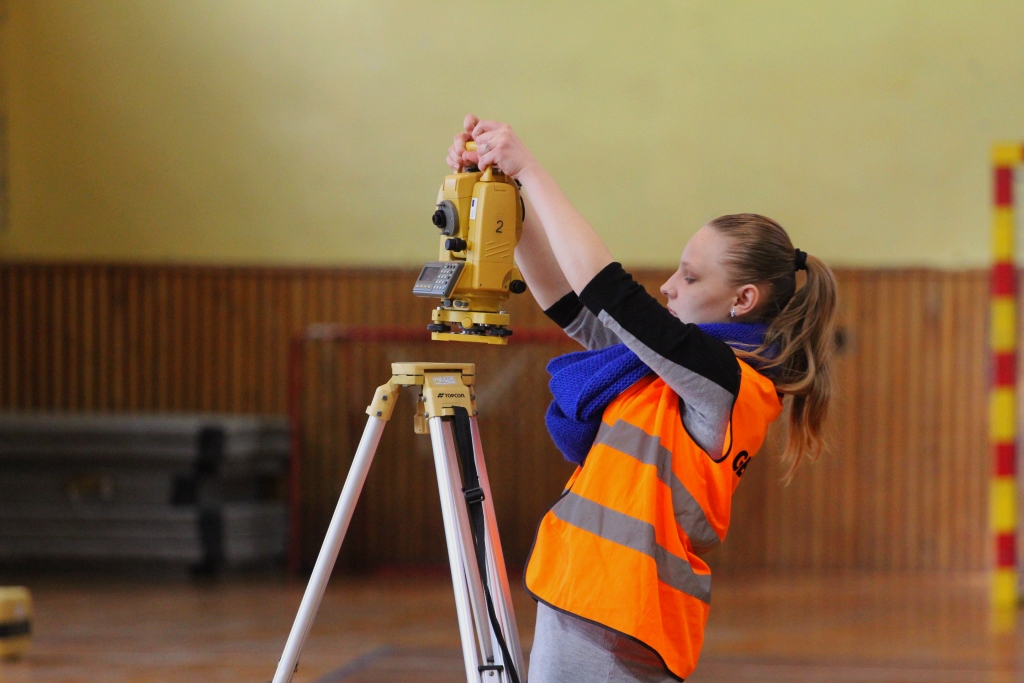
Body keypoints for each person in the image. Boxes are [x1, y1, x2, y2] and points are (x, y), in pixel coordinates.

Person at [446, 115, 838, 683]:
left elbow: (610, 293)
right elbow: (566, 297)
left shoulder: (725, 382)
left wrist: (532, 168)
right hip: (590, 600)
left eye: (690, 278)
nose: (669, 288)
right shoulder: (663, 369)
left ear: (743, 300)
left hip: (620, 619)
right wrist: (505, 190)